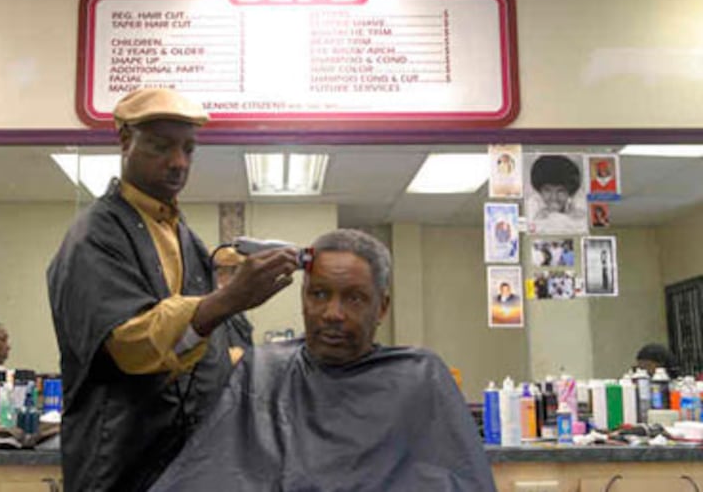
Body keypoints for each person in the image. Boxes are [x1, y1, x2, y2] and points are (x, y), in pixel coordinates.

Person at [46, 88, 300, 492]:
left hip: (188, 467)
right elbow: (131, 344)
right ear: (126, 141)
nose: (178, 162)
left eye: (188, 149)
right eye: (162, 147)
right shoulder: (95, 236)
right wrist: (228, 299)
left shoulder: (185, 238)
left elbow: (211, 350)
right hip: (120, 465)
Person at [151, 229, 497, 492]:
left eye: (354, 298)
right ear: (303, 298)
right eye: (319, 294)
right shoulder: (262, 373)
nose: (333, 313)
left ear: (383, 307)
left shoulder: (419, 378)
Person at [528, 155, 586, 234]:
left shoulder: (580, 217)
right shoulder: (534, 216)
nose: (554, 197)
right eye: (547, 190)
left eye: (560, 191)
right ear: (539, 191)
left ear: (570, 192)